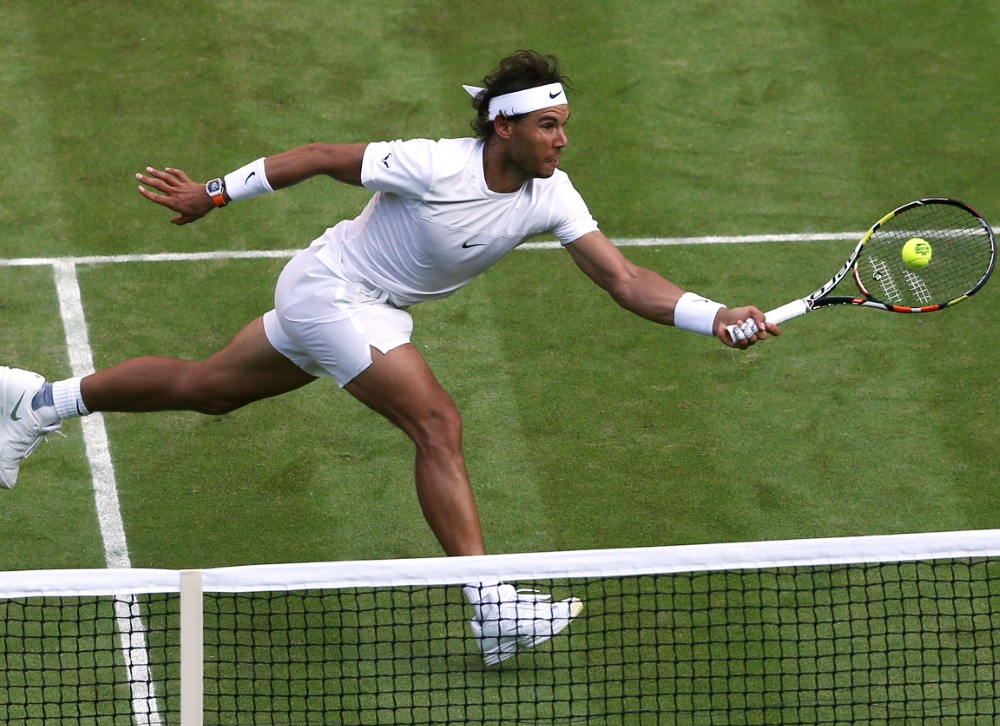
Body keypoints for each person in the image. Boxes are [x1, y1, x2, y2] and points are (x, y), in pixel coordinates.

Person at [0, 50, 778, 665]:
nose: (562, 139)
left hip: (368, 307)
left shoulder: (554, 195)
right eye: (548, 126)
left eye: (565, 124)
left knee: (210, 389)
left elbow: (626, 278)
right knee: (436, 421)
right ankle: (488, 603)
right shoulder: (434, 163)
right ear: (504, 128)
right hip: (331, 289)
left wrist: (714, 318)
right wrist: (213, 194)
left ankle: (39, 403)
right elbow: (316, 154)